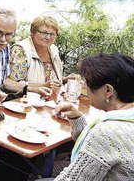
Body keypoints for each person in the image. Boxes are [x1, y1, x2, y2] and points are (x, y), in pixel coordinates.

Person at [48, 53, 134, 181]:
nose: (84, 87)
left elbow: (72, 178)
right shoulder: (127, 117)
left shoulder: (107, 131)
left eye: (87, 83)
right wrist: (77, 119)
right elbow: (101, 150)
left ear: (108, 91)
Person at [4, 15, 74, 97]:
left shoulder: (53, 49)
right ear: (32, 32)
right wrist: (43, 85)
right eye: (44, 33)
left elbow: (50, 81)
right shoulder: (20, 50)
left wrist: (65, 80)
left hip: (49, 101)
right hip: (25, 103)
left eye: (52, 34)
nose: (48, 37)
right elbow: (11, 84)